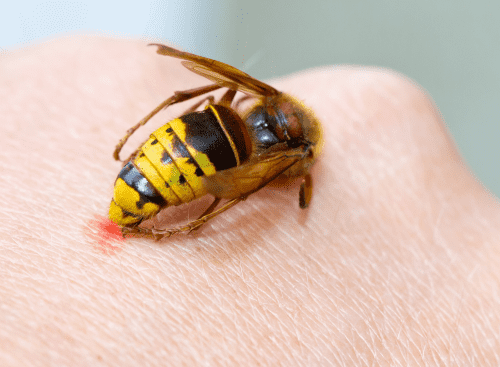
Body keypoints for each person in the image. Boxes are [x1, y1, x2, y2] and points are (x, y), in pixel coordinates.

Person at [2, 35, 499, 365]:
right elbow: (245, 185)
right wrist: (202, 216)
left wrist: (148, 128)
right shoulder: (292, 158)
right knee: (240, 176)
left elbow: (203, 94)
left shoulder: (256, 98)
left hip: (161, 154)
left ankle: (149, 156)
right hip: (180, 164)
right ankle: (185, 220)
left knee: (217, 119)